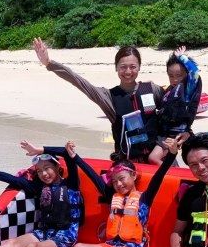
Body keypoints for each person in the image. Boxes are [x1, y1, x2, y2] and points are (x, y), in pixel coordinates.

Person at [24, 137, 183, 247]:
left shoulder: (145, 198)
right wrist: (75, 157)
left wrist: (172, 154)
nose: (118, 184)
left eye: (122, 179)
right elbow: (93, 176)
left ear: (134, 175)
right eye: (114, 181)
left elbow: (159, 176)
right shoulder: (112, 196)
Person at [33, 37, 165, 164]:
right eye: (123, 67)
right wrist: (49, 63)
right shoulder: (108, 97)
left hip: (158, 160)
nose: (128, 71)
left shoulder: (152, 89)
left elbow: (172, 108)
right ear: (116, 67)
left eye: (133, 66)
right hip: (128, 165)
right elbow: (78, 81)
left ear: (139, 67)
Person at [146, 46, 202, 164]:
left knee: (153, 158)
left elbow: (195, 72)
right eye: (171, 76)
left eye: (179, 75)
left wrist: (182, 57)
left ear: (186, 75)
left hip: (174, 135)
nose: (174, 79)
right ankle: (174, 169)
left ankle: (168, 172)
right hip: (164, 133)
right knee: (166, 158)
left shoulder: (187, 90)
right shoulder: (170, 91)